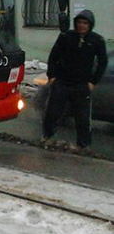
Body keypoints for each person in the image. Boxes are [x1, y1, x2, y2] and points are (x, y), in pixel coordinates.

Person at [43, 9, 108, 149]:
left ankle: (83, 145)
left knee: (82, 117)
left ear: (90, 24)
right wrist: (52, 76)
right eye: (79, 22)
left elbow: (103, 62)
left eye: (85, 23)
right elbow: (53, 56)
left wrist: (92, 82)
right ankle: (48, 136)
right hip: (62, 82)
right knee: (52, 112)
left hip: (82, 85)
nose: (82, 25)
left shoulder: (96, 40)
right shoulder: (66, 37)